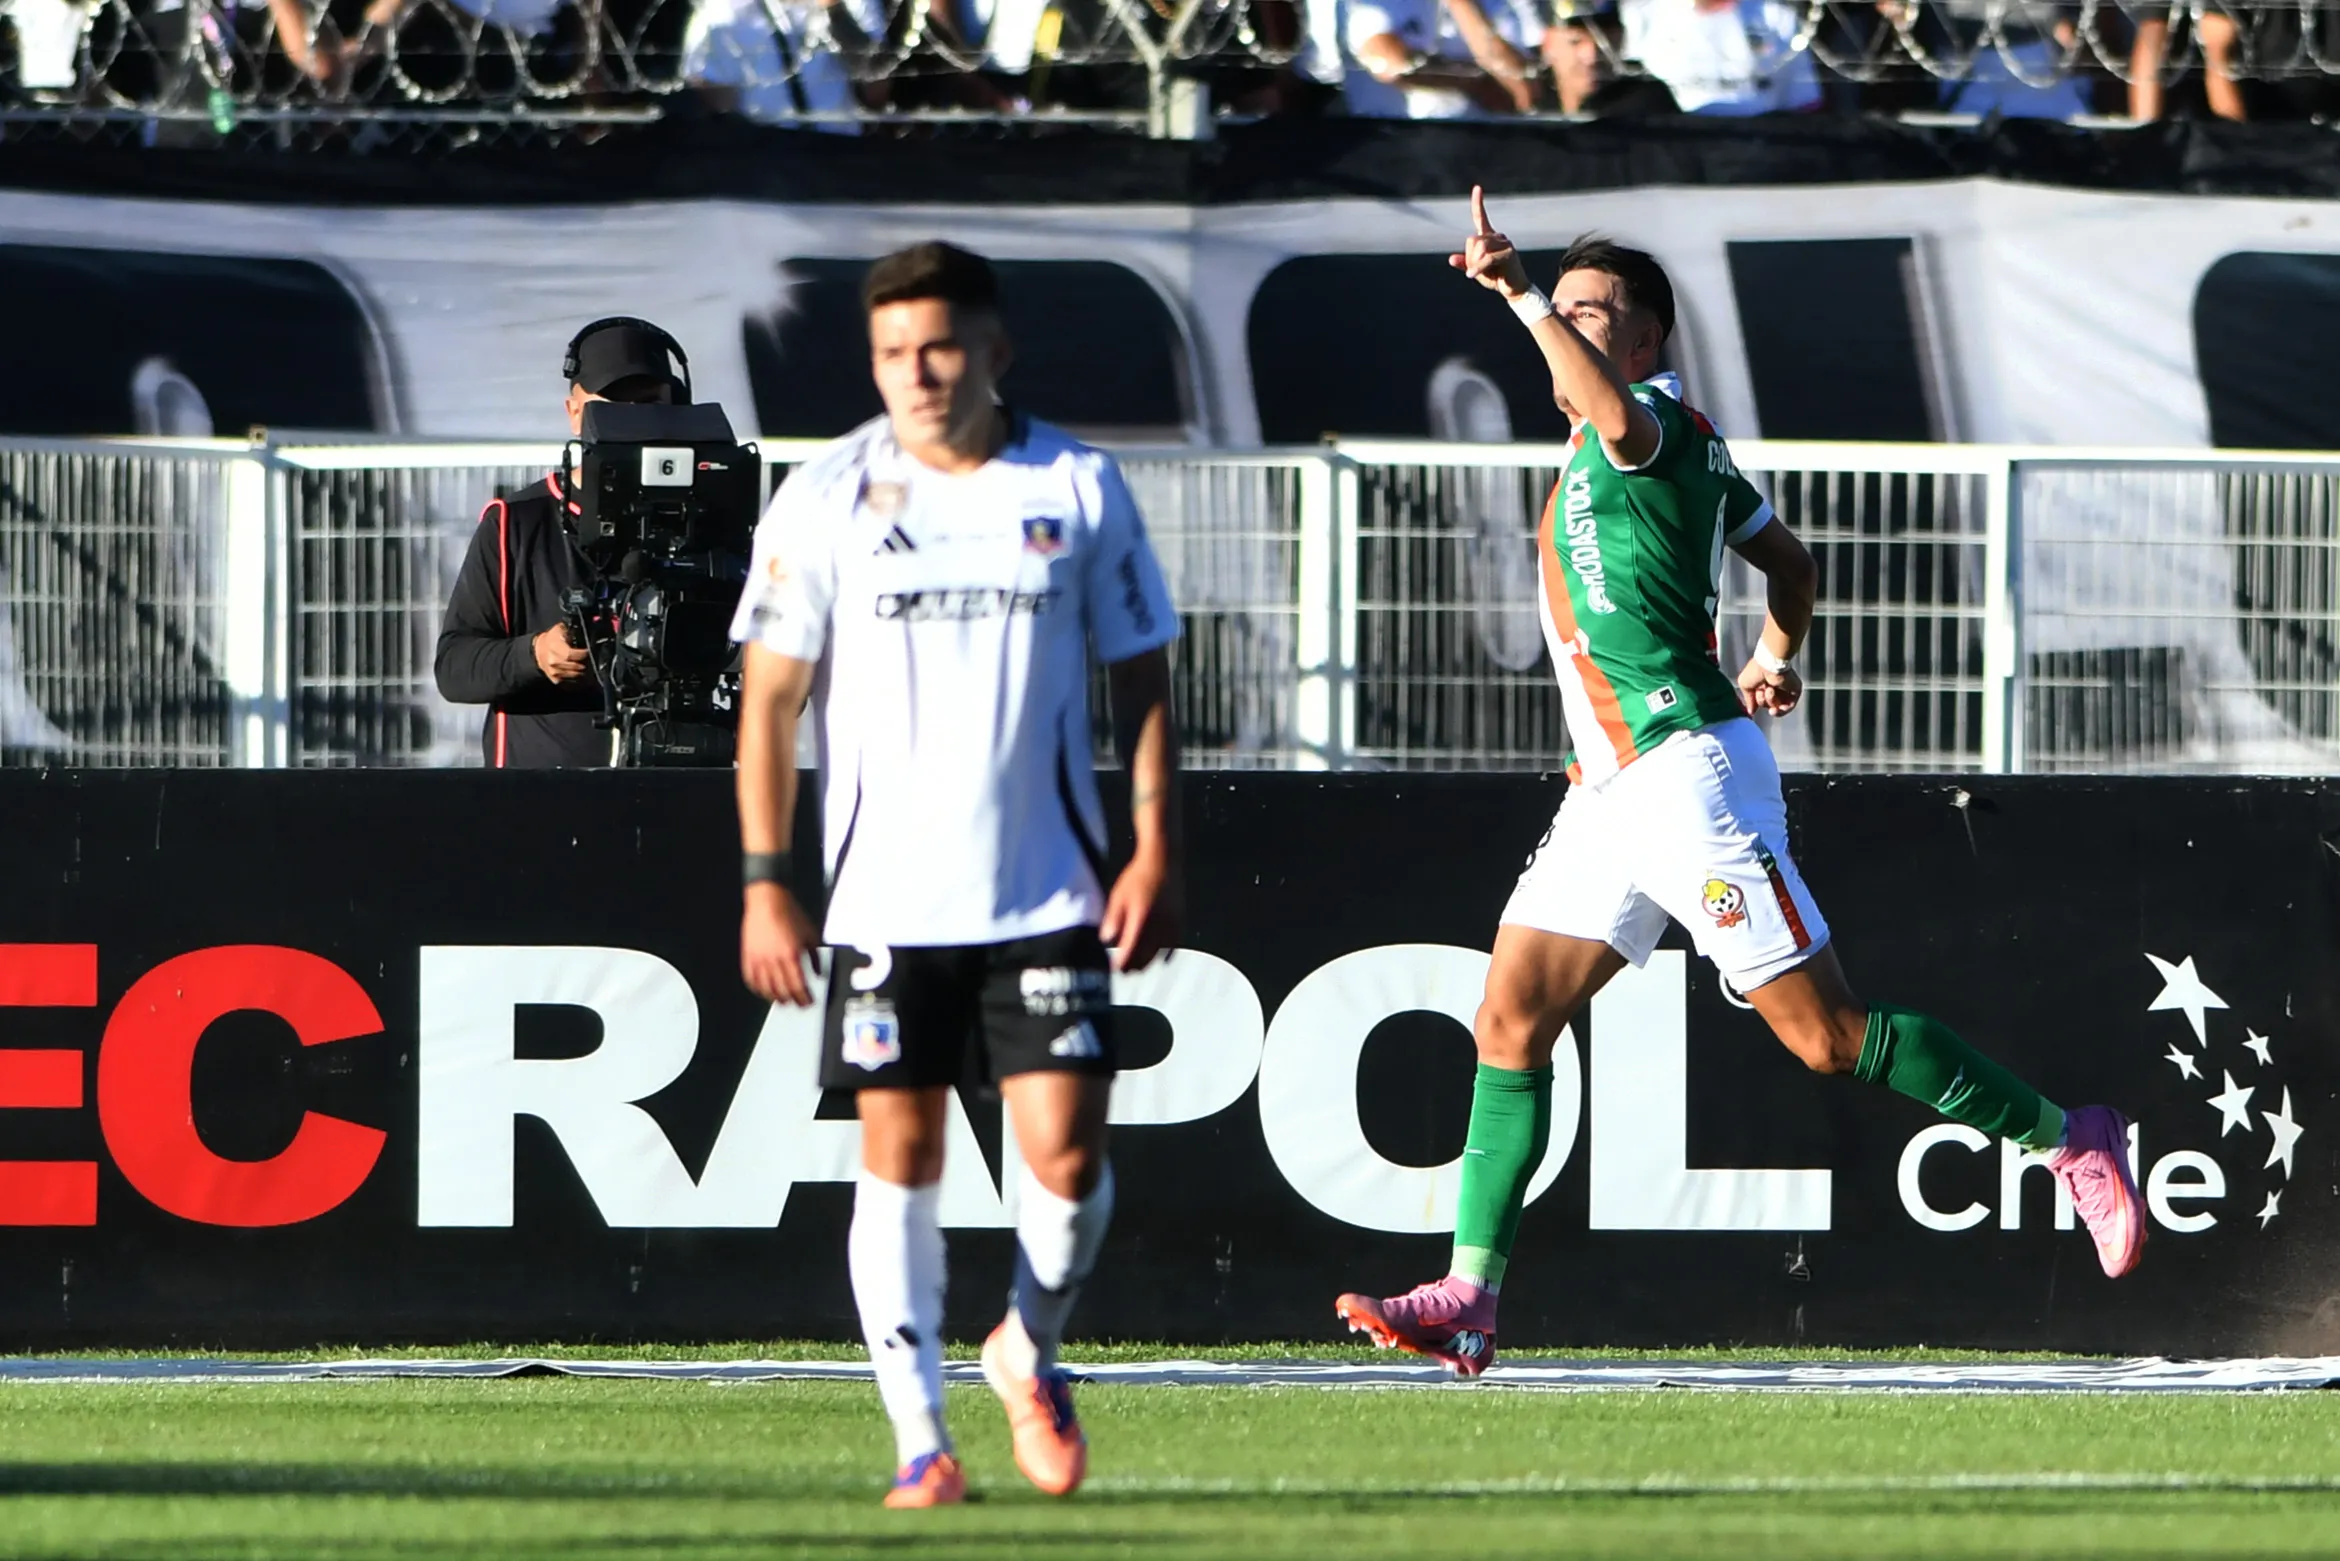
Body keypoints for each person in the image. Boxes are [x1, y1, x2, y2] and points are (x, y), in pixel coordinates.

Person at [1333, 191, 2146, 1377]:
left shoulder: (1644, 425)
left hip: (1686, 779)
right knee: (1510, 1018)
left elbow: (1615, 413)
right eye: (1557, 307)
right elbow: (1791, 559)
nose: (1564, 322)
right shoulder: (1630, 450)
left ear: (1646, 340)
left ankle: (2067, 1135)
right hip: (1613, 789)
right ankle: (1470, 1292)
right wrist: (1774, 655)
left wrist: (1513, 292)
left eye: (1587, 311)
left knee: (1827, 1040)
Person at [731, 241, 1182, 1507]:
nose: (916, 375)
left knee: (1071, 1157)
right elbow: (771, 705)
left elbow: (1142, 679)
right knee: (902, 1155)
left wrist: (1155, 843)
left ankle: (1027, 1343)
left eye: (937, 348)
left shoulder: (1077, 483)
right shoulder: (825, 497)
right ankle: (920, 1442)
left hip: (1046, 890)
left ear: (994, 350)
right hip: (881, 900)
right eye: (891, 354)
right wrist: (770, 879)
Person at [434, 317, 688, 769]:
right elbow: (455, 668)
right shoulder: (515, 523)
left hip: (678, 792)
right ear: (574, 412)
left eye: (649, 404)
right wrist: (535, 654)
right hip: (541, 808)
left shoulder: (706, 522)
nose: (632, 420)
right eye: (612, 404)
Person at [1622, 0, 1818, 113]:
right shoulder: (1637, 14)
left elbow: (1804, 103)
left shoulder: (1775, 14)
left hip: (1762, 146)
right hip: (1673, 149)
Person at [1541, 0, 1676, 115]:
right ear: (1548, 44)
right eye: (1575, 41)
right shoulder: (1529, 113)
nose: (1592, 55)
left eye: (1606, 41)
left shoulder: (1650, 105)